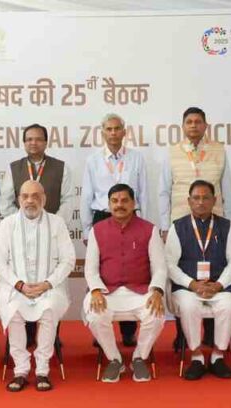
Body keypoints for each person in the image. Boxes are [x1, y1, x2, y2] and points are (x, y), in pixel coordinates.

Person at [81, 113, 162, 346]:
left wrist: (144, 224)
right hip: (102, 217)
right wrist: (87, 229)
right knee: (101, 272)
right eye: (109, 129)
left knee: (133, 273)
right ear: (102, 133)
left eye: (117, 129)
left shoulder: (136, 158)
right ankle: (100, 330)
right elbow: (86, 195)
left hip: (131, 217)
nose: (113, 133)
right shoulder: (93, 160)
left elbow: (143, 193)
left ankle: (128, 332)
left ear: (124, 132)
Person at [0, 181, 75, 392]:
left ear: (44, 199)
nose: (30, 201)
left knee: (49, 310)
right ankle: (20, 370)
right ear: (19, 199)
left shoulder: (57, 223)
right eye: (25, 196)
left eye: (35, 196)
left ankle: (42, 370)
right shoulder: (8, 224)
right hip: (16, 287)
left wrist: (47, 284)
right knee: (13, 311)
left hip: (49, 287)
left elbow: (68, 260)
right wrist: (19, 284)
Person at [84, 184, 167, 383]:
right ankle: (115, 359)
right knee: (95, 315)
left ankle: (139, 357)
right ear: (108, 204)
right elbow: (90, 269)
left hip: (140, 292)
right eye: (114, 201)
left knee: (156, 314)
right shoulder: (97, 230)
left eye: (124, 201)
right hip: (107, 292)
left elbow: (160, 268)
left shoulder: (149, 229)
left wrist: (157, 291)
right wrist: (95, 290)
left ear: (133, 203)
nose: (119, 205)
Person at [165, 180, 231, 380]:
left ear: (214, 200)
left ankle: (218, 356)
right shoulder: (178, 227)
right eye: (196, 198)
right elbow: (170, 264)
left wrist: (219, 285)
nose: (201, 202)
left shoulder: (226, 226)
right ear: (189, 201)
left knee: (229, 306)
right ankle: (196, 356)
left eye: (206, 198)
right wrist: (192, 284)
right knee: (189, 306)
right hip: (187, 288)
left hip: (219, 286)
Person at [159, 106, 229, 222]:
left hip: (214, 221)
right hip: (180, 221)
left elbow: (227, 191)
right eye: (189, 122)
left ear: (205, 126)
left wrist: (227, 222)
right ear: (183, 127)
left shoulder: (219, 150)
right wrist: (165, 225)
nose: (193, 125)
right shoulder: (172, 152)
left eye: (198, 122)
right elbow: (164, 192)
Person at [0, 124, 74, 224]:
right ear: (24, 143)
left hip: (53, 228)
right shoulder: (13, 168)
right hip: (20, 228)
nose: (33, 143)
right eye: (29, 139)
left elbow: (68, 201)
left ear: (46, 143)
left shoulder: (62, 168)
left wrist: (54, 224)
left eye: (38, 139)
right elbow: (6, 202)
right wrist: (22, 223)